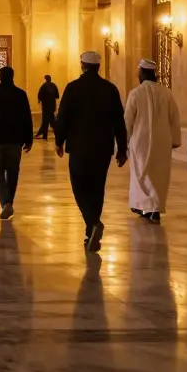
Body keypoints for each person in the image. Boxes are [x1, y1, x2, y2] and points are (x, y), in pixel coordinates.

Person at [54, 51, 127, 253]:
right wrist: (122, 149)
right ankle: (90, 233)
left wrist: (59, 141)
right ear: (98, 67)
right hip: (102, 149)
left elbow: (63, 118)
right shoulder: (110, 89)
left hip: (79, 147)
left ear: (82, 65)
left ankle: (93, 223)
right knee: (97, 189)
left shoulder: (73, 88)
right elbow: (119, 122)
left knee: (79, 186)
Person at [123, 59, 181, 223]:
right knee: (158, 175)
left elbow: (127, 120)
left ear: (141, 73)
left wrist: (124, 142)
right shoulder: (167, 93)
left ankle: (148, 208)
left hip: (141, 140)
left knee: (142, 174)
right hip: (162, 140)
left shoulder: (135, 93)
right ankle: (153, 208)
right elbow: (174, 118)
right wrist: (175, 139)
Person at [0, 66, 34, 220]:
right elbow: (27, 118)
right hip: (15, 140)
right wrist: (29, 139)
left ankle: (6, 202)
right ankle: (8, 201)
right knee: (12, 171)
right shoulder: (20, 95)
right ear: (13, 77)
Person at [35, 75, 59, 140]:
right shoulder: (54, 86)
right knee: (52, 121)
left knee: (45, 122)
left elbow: (40, 95)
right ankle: (58, 134)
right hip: (52, 107)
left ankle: (44, 136)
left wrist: (40, 100)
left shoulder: (44, 86)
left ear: (46, 79)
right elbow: (57, 96)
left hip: (45, 107)